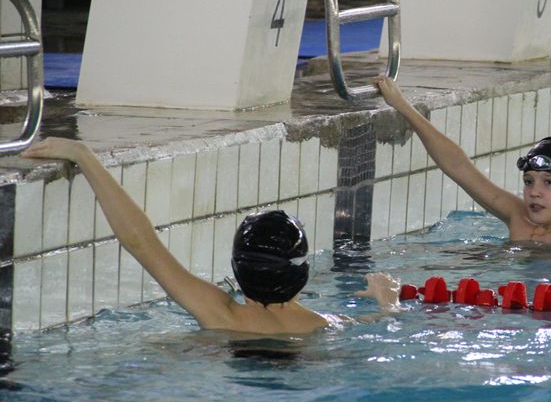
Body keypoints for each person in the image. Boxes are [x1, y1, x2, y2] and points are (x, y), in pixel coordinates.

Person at [22, 138, 401, 335]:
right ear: (301, 272)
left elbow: (140, 241)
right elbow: (385, 324)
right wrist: (388, 304)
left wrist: (84, 156)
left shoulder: (219, 313)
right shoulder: (325, 328)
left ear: (238, 268)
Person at [376, 76, 551, 248]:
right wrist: (401, 104)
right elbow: (459, 168)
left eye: (548, 183)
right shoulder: (519, 216)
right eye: (529, 181)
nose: (534, 192)